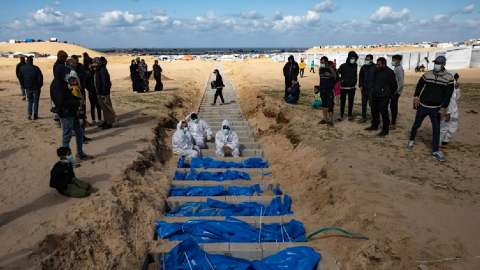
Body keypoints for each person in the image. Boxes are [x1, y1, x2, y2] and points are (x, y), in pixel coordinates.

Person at [407, 56, 454, 162]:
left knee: (436, 129)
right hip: (423, 106)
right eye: (436, 62)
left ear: (444, 64)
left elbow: (448, 95)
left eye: (439, 63)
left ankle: (435, 151)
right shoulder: (427, 74)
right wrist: (416, 97)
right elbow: (419, 86)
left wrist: (443, 108)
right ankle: (411, 140)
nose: (436, 65)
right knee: (416, 125)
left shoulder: (449, 78)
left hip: (436, 108)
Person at [50, 63, 93, 162]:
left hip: (72, 113)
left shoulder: (63, 83)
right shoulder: (56, 85)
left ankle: (80, 153)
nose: (67, 75)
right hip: (66, 115)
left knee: (79, 132)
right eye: (65, 73)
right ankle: (66, 159)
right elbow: (61, 102)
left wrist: (78, 99)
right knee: (67, 136)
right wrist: (77, 102)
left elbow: (70, 96)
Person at [365, 57, 397, 136]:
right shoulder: (377, 71)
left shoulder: (390, 72)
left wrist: (389, 95)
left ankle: (385, 130)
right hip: (375, 95)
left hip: (384, 96)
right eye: (377, 64)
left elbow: (394, 85)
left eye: (379, 65)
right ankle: (374, 125)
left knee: (384, 113)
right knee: (374, 111)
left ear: (383, 64)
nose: (377, 66)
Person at [93, 57, 117, 130]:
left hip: (103, 93)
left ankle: (109, 123)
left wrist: (104, 93)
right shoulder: (99, 70)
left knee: (107, 108)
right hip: (100, 92)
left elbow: (105, 83)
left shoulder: (102, 70)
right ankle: (106, 121)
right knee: (104, 108)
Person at [440, 72, 461, 149]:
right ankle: (438, 144)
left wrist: (457, 88)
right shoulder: (447, 87)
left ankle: (445, 142)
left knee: (452, 126)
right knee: (444, 127)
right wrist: (448, 113)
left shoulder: (454, 86)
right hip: (448, 111)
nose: (456, 80)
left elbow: (457, 97)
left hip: (454, 111)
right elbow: (448, 101)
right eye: (455, 79)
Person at [337, 51, 358, 122]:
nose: (353, 59)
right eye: (352, 58)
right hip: (343, 87)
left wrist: (355, 81)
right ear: (349, 58)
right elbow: (337, 73)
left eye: (354, 58)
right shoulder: (343, 66)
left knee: (351, 102)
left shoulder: (355, 65)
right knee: (342, 102)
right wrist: (340, 79)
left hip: (352, 87)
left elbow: (355, 75)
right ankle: (341, 116)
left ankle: (349, 116)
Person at [318, 57, 337, 126]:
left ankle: (330, 120)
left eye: (322, 62)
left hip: (329, 90)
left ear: (326, 62)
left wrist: (331, 85)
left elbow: (336, 78)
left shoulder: (332, 69)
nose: (321, 64)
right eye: (320, 62)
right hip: (322, 89)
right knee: (324, 105)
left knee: (330, 105)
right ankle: (324, 119)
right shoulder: (321, 69)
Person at [358, 54, 376, 123]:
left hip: (372, 89)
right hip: (364, 89)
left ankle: (373, 118)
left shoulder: (375, 67)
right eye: (365, 60)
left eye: (367, 60)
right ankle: (363, 117)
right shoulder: (363, 67)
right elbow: (361, 77)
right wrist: (360, 85)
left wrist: (374, 87)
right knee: (363, 104)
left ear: (371, 60)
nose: (366, 61)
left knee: (372, 104)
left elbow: (377, 78)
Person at [390, 55, 405, 130]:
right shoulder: (396, 68)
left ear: (398, 61)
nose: (392, 62)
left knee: (394, 106)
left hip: (396, 92)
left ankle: (393, 123)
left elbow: (401, 82)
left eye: (394, 60)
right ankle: (392, 121)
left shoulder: (399, 69)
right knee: (392, 106)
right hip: (394, 91)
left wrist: (396, 91)